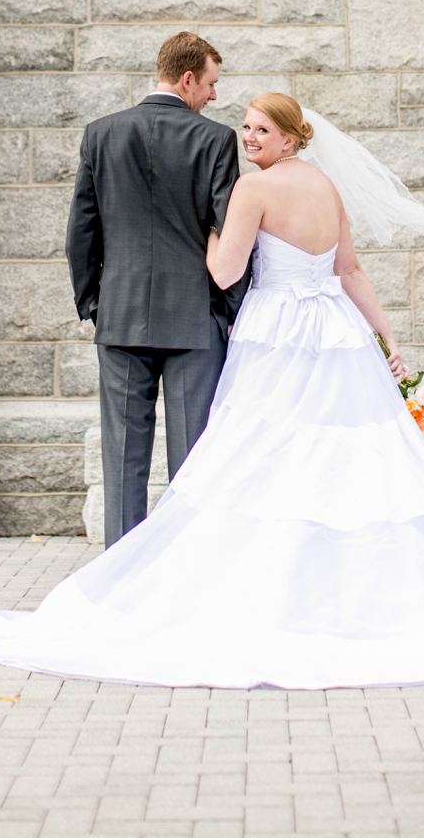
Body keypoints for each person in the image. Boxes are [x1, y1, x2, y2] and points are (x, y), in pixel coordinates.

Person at [0, 93, 424, 687]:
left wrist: (189, 228)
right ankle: (340, 596)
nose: (246, 138)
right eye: (247, 128)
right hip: (337, 336)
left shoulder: (254, 191)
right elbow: (350, 271)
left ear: (289, 137)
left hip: (276, 337)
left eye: (258, 130)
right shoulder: (325, 187)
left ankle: (259, 594)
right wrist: (388, 340)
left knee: (258, 457)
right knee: (347, 465)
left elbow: (225, 273)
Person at [63, 31, 248, 548]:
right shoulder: (214, 141)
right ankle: (186, 573)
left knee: (122, 459)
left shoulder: (101, 133)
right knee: (194, 461)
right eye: (211, 84)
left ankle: (120, 577)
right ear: (187, 79)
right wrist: (229, 314)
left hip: (120, 317)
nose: (214, 95)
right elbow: (228, 232)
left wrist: (95, 304)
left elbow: (81, 229)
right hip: (195, 322)